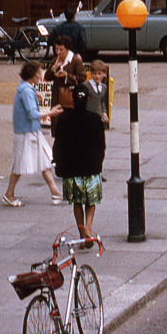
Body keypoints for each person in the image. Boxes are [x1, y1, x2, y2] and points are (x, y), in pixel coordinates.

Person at [3, 60, 65, 207]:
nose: (40, 75)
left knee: (44, 161)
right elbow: (32, 114)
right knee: (19, 165)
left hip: (32, 131)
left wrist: (34, 96)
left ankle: (55, 192)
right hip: (26, 132)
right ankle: (9, 194)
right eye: (38, 73)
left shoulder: (27, 88)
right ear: (32, 74)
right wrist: (51, 112)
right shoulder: (26, 90)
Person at [52, 86, 106, 240]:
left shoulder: (64, 119)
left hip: (72, 169)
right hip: (90, 167)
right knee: (91, 201)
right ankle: (88, 228)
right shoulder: (95, 119)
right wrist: (99, 163)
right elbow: (101, 145)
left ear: (73, 99)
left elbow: (59, 144)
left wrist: (58, 164)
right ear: (88, 99)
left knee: (77, 202)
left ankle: (82, 234)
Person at [47, 34, 85, 110]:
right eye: (56, 49)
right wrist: (54, 67)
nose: (58, 52)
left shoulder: (75, 60)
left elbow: (82, 78)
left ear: (67, 49)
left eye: (61, 49)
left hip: (70, 98)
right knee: (56, 120)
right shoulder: (55, 60)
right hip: (56, 97)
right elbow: (47, 78)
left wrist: (66, 75)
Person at [83, 59, 111, 126]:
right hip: (87, 118)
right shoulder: (85, 86)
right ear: (91, 73)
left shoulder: (104, 87)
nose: (97, 76)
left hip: (98, 118)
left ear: (104, 74)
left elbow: (102, 101)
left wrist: (104, 112)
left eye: (99, 74)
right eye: (94, 74)